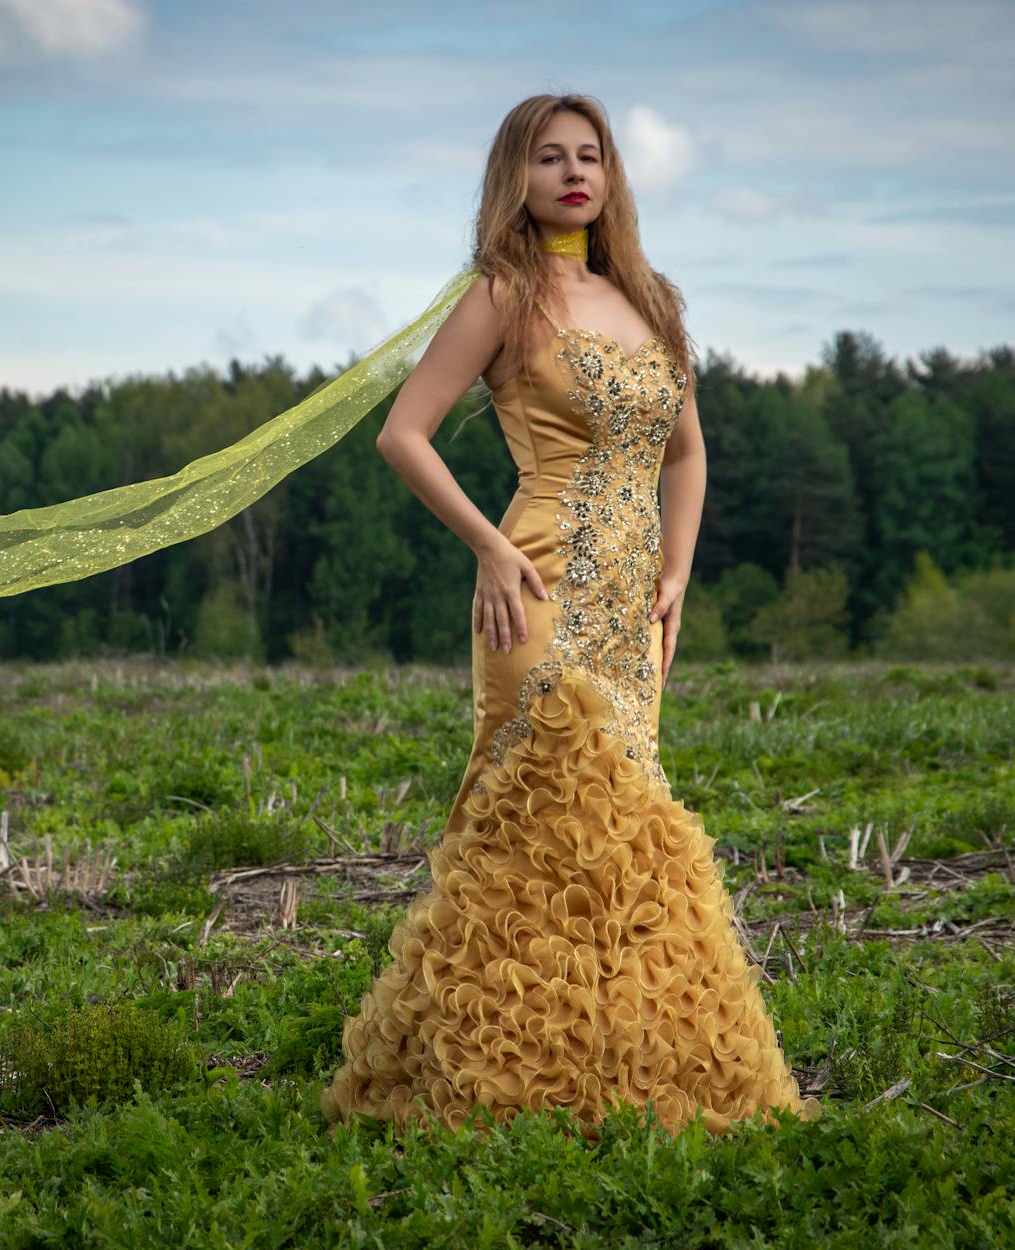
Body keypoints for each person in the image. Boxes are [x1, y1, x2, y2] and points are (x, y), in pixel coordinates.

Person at [317, 93, 822, 1137]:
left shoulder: (646, 296)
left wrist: (675, 572)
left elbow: (685, 453)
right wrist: (489, 546)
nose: (571, 172)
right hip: (536, 581)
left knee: (625, 829)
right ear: (517, 175)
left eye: (588, 155)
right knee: (540, 809)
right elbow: (402, 434)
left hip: (633, 607)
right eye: (548, 157)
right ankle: (491, 1076)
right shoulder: (501, 292)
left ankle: (632, 1077)